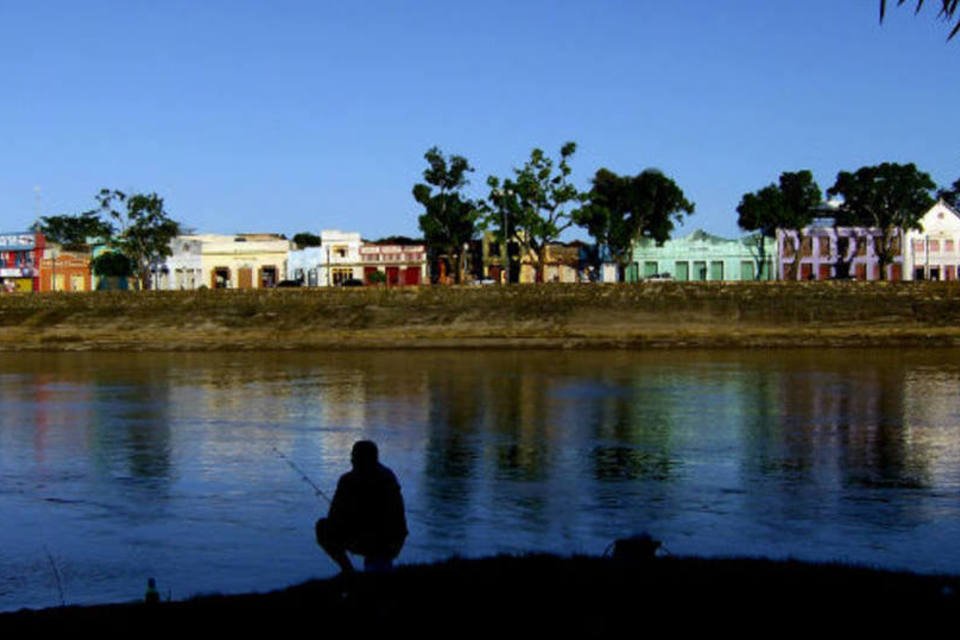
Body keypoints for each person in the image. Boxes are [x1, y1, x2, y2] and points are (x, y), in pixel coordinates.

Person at [315, 440, 408, 573]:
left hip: (382, 537)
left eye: (354, 456)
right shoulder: (388, 476)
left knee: (323, 528)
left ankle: (349, 571)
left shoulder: (347, 481)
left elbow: (334, 516)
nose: (351, 460)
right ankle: (359, 570)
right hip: (393, 537)